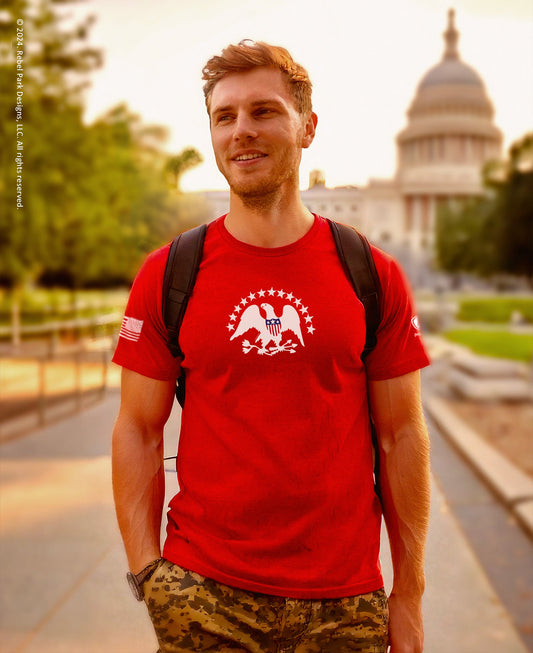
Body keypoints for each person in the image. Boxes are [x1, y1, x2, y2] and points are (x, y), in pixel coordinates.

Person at [112, 40, 431, 653]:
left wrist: (409, 593)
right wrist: (150, 576)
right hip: (205, 594)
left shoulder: (371, 272)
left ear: (307, 127)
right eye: (224, 116)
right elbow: (137, 428)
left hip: (343, 601)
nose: (242, 132)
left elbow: (402, 436)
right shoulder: (170, 272)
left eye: (264, 111)